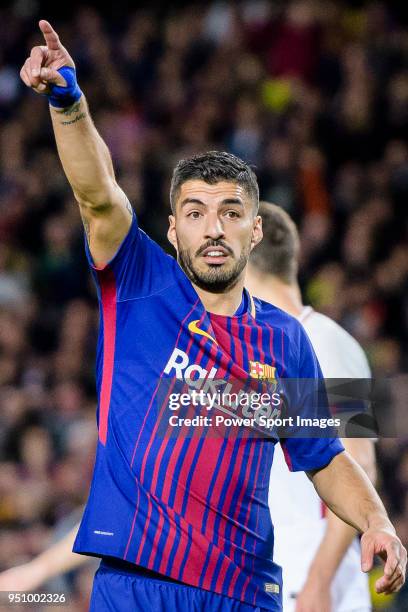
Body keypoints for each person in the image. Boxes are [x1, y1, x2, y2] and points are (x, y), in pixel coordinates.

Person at [10, 19, 405, 612]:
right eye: (195, 212)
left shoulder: (303, 339)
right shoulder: (142, 284)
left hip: (255, 592)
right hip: (137, 583)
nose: (214, 228)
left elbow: (334, 455)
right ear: (172, 230)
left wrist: (376, 522)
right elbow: (98, 195)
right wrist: (68, 101)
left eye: (230, 213)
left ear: (256, 230)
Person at [246, 203, 377, 612]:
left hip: (313, 581)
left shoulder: (326, 341)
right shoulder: (261, 350)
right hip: (273, 574)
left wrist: (317, 582)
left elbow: (363, 465)